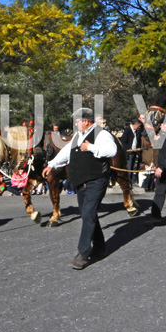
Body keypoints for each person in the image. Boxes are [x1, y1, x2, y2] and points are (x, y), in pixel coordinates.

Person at [43, 108, 116, 270]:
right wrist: (52, 165)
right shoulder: (77, 136)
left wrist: (91, 148)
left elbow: (112, 150)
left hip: (96, 181)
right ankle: (100, 247)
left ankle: (83, 254)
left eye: (77, 120)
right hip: (81, 182)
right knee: (87, 214)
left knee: (88, 213)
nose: (76, 123)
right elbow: (66, 153)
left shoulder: (101, 134)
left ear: (86, 121)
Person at [121, 118, 143, 184]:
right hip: (129, 153)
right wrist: (128, 149)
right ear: (135, 124)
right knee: (129, 168)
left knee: (134, 167)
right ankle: (127, 181)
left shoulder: (137, 131)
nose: (139, 127)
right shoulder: (127, 131)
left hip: (135, 152)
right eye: (138, 126)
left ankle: (132, 181)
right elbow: (123, 142)